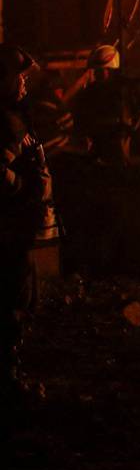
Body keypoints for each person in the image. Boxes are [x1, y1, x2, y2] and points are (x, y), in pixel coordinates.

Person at [0, 45, 52, 408]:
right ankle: (8, 382)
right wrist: (21, 189)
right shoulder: (4, 122)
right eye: (17, 76)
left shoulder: (16, 117)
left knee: (20, 298)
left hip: (16, 227)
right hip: (8, 230)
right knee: (12, 303)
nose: (23, 83)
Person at [62, 44, 140, 178]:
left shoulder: (124, 92)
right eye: (97, 71)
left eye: (103, 70)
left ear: (113, 70)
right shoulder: (90, 92)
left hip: (119, 150)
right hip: (98, 150)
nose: (100, 74)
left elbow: (135, 119)